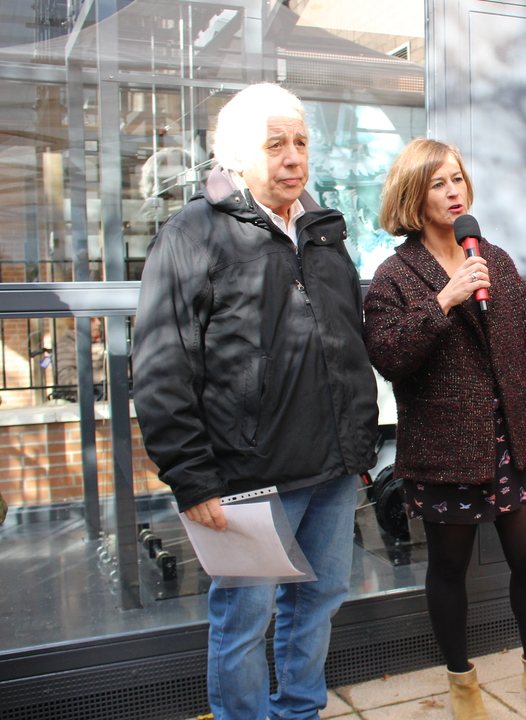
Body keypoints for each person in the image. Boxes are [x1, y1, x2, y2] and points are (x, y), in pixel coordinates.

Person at [132, 83, 380, 720]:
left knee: (319, 602)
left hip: (331, 468)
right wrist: (192, 478)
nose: (294, 157)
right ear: (235, 157)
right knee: (244, 622)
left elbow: (346, 345)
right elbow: (161, 369)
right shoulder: (192, 235)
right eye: (275, 145)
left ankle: (299, 711)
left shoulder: (323, 232)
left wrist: (359, 444)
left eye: (301, 142)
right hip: (248, 477)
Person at [363, 138, 526, 720]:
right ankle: (463, 687)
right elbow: (389, 357)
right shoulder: (394, 275)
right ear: (414, 196)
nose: (453, 191)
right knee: (449, 569)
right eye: (437, 183)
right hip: (444, 447)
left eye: (457, 178)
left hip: (510, 438)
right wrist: (443, 300)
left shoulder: (495, 259)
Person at [54, 316, 106, 401]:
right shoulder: (66, 345)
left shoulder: (107, 339)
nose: (98, 323)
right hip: (82, 399)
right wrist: (104, 375)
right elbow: (65, 379)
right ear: (75, 323)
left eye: (98, 319)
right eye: (92, 320)